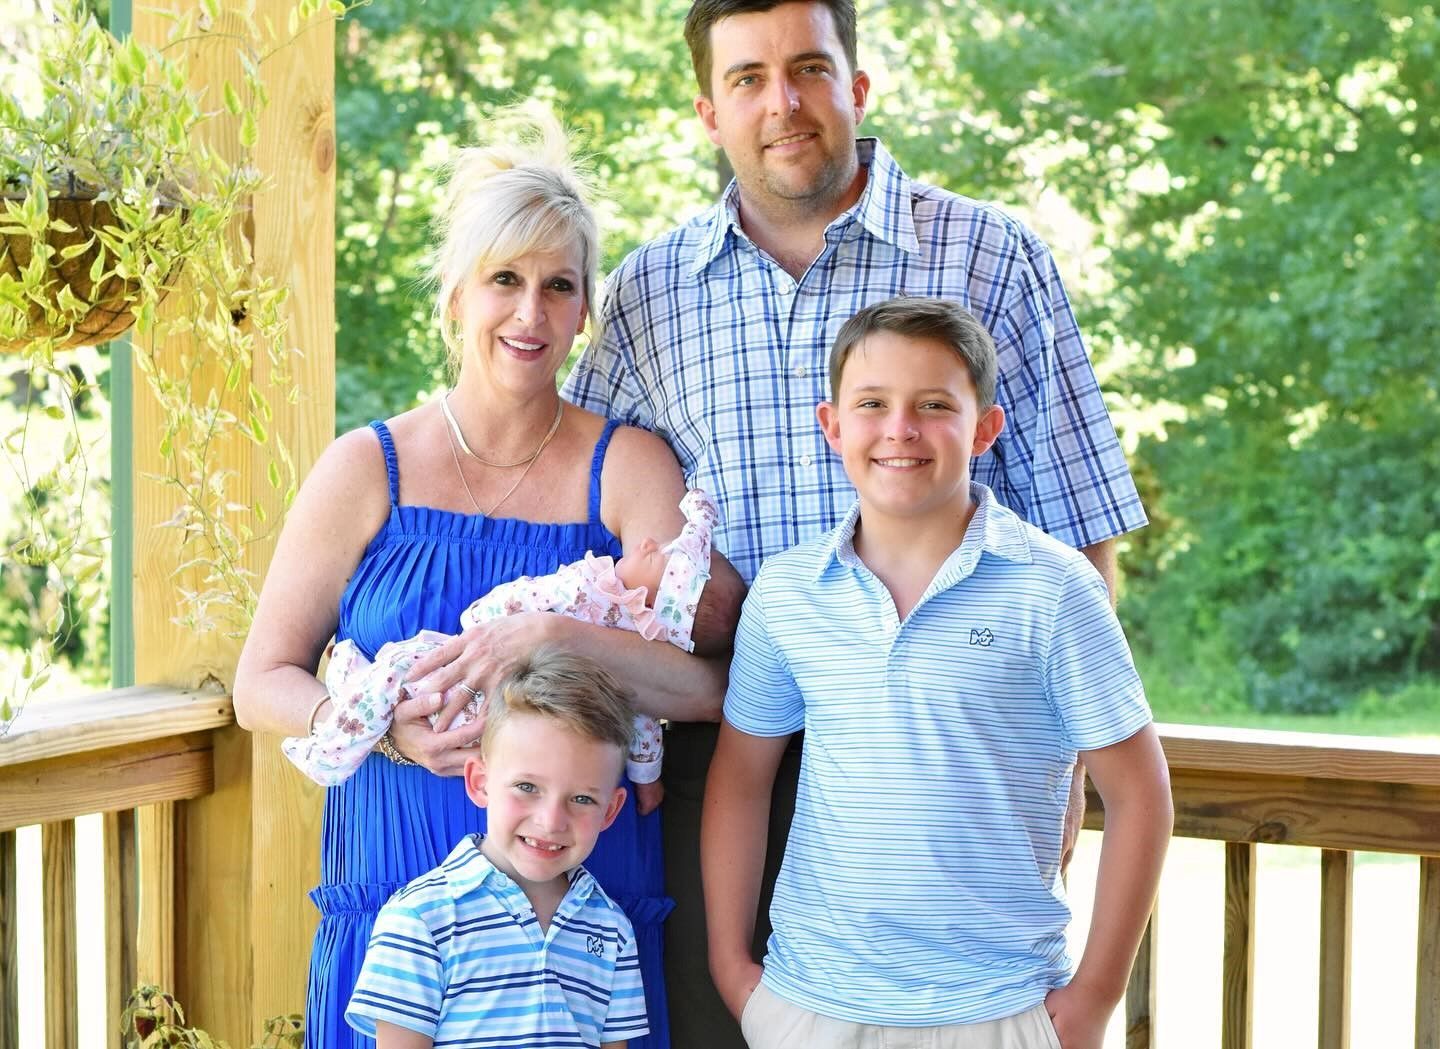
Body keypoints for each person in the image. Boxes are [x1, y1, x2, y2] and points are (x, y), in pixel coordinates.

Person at [561, 2, 1148, 1043]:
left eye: (808, 69)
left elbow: (1078, 524)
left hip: (954, 763)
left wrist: (1062, 771)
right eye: (747, 79)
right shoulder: (652, 290)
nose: (782, 103)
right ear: (708, 110)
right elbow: (588, 504)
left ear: (857, 85)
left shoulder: (990, 255)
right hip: (722, 744)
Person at [233, 109, 736, 1049]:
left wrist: (562, 639)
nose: (530, 314)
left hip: (576, 942)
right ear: (457, 294)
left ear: (587, 310)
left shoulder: (629, 467)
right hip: (396, 913)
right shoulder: (363, 468)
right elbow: (261, 681)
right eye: (505, 279)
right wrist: (384, 726)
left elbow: (711, 688)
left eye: (560, 286)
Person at [703, 297, 1173, 1049]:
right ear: (833, 426)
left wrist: (1094, 997)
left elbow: (1141, 795)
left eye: (933, 405)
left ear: (984, 427)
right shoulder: (789, 593)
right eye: (872, 404)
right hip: (812, 1007)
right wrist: (732, 967)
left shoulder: (1052, 590)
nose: (900, 429)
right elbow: (740, 781)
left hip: (999, 1011)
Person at [282, 489, 738, 818]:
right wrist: (647, 780)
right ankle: (348, 703)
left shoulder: (589, 590)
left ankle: (334, 749)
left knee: (400, 672)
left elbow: (505, 607)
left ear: (649, 599)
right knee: (399, 683)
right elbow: (641, 722)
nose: (648, 543)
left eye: (659, 556)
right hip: (480, 736)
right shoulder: (632, 647)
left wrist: (531, 632)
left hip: (473, 695)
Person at [345, 650, 650, 1049]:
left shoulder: (611, 929)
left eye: (581, 799)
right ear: (480, 783)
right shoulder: (421, 918)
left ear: (610, 811)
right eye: (527, 788)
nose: (551, 821)